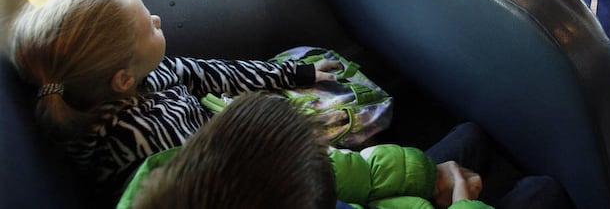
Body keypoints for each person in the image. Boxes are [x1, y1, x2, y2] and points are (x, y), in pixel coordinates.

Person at [8, 0, 341, 201]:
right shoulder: (147, 143)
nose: (156, 19)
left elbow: (217, 74)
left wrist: (295, 73)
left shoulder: (152, 71)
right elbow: (217, 182)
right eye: (148, 27)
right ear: (123, 80)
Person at [121, 92, 573, 209]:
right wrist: (461, 203)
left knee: (471, 133)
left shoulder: (164, 174)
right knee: (544, 191)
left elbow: (340, 172)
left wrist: (424, 176)